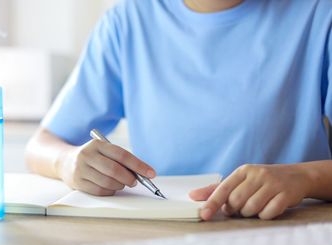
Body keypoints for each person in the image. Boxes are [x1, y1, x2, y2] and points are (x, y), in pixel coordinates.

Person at [25, 0, 332, 221]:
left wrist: (303, 177)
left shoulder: (320, 14)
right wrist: (67, 161)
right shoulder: (126, 22)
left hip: (287, 229)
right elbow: (41, 145)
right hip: (162, 232)